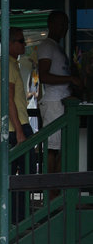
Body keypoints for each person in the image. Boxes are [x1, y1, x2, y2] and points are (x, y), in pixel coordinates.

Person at [0, 26, 35, 221]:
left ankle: (15, 216)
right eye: (20, 41)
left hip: (11, 125)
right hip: (13, 126)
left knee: (19, 173)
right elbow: (9, 100)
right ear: (9, 43)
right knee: (24, 173)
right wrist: (19, 129)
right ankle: (18, 218)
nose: (24, 43)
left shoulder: (10, 64)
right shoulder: (8, 65)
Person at [38, 11, 82, 176]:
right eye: (60, 24)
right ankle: (51, 193)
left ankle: (57, 191)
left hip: (63, 102)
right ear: (50, 25)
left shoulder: (57, 47)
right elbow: (43, 76)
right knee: (52, 148)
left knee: (63, 148)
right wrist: (70, 78)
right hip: (53, 102)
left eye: (66, 24)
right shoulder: (47, 45)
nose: (64, 28)